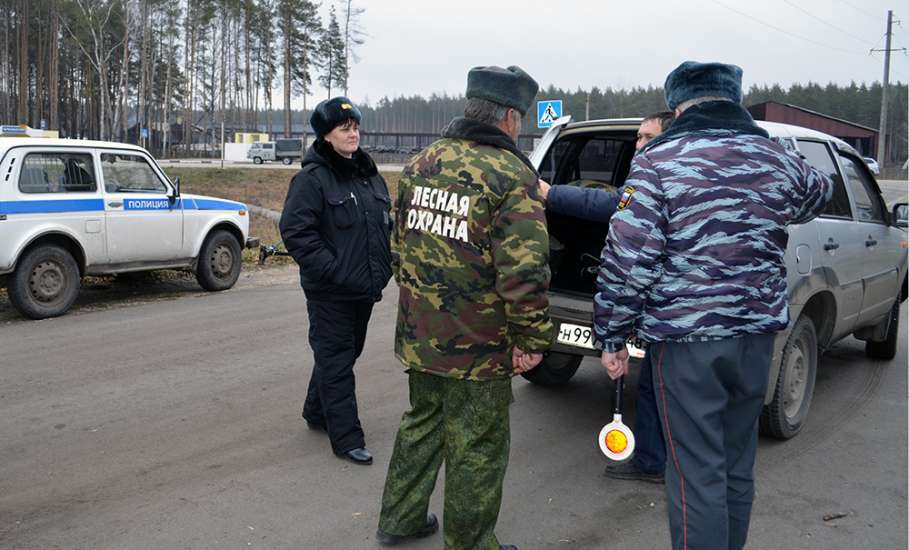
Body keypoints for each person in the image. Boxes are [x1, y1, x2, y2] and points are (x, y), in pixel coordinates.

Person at [594, 61, 832, 550]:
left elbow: (629, 257)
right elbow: (818, 193)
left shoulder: (659, 161)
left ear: (679, 106)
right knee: (736, 461)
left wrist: (613, 334)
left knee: (694, 471)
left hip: (687, 342)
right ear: (735, 99)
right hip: (757, 336)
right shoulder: (775, 155)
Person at [376, 65, 553, 550]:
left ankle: (400, 518)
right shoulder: (513, 175)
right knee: (477, 444)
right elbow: (525, 273)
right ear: (511, 118)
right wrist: (532, 341)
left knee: (422, 422)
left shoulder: (421, 163)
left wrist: (419, 311)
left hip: (421, 335)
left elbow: (399, 249)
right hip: (479, 346)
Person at [538, 112, 674, 484]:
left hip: (664, 306)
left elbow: (611, 208)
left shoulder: (658, 181)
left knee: (664, 385)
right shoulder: (667, 177)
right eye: (639, 137)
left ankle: (657, 461)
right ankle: (656, 460)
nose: (638, 143)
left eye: (647, 137)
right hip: (671, 307)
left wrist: (613, 335)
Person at [279, 97, 392, 466]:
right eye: (345, 128)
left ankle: (316, 410)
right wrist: (333, 270)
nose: (353, 133)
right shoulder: (311, 180)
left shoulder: (368, 175)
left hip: (363, 288)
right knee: (337, 360)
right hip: (330, 291)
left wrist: (386, 265)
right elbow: (296, 232)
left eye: (356, 126)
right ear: (326, 136)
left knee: (341, 356)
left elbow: (381, 226)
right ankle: (346, 438)